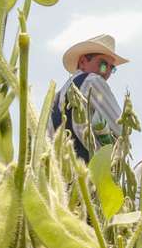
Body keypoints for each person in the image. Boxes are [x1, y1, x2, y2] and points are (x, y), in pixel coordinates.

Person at [50, 34, 129, 162]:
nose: (107, 71)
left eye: (112, 68)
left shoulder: (58, 95)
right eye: (103, 64)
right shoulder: (93, 81)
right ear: (83, 62)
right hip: (88, 172)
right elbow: (122, 128)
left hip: (60, 172)